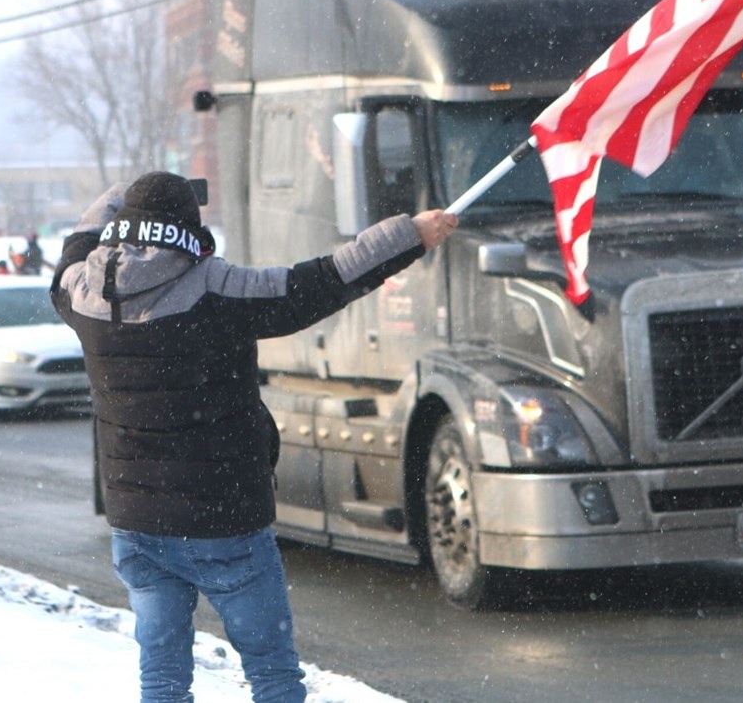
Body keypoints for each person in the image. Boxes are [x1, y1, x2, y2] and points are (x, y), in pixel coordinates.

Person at [51, 171, 456, 703]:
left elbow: (79, 241)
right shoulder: (216, 289)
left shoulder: (81, 293)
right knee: (272, 675)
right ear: (188, 229)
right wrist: (410, 235)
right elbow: (323, 281)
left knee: (162, 679)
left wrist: (120, 195)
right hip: (226, 521)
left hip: (138, 527)